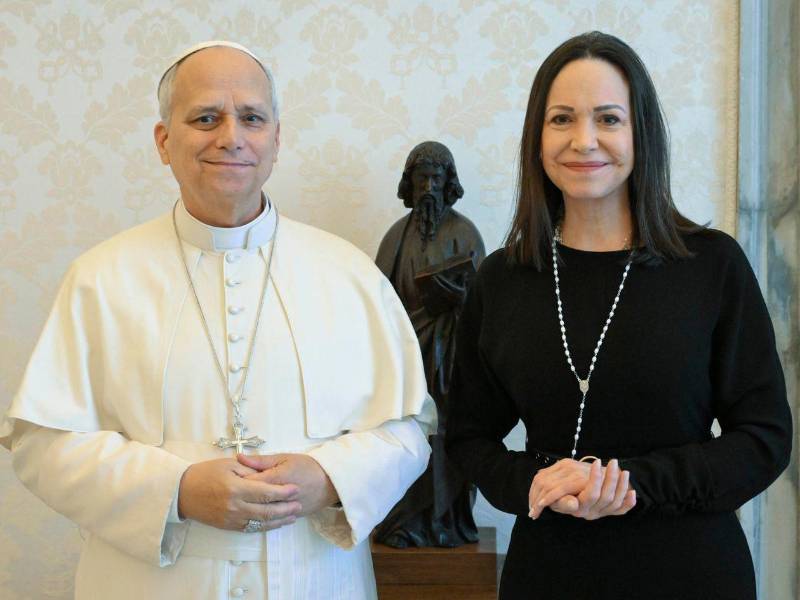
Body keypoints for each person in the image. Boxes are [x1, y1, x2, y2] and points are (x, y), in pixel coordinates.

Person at [1, 41, 434, 600]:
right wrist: (176, 489)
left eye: (252, 118)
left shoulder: (348, 273)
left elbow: (408, 428)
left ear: (276, 139)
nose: (231, 136)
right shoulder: (100, 278)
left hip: (313, 579)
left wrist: (330, 478)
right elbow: (42, 443)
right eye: (206, 117)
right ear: (163, 141)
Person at [446, 31, 792, 599]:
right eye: (562, 119)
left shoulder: (712, 264)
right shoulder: (503, 279)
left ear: (641, 133)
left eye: (608, 119)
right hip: (549, 574)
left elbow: (764, 438)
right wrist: (537, 482)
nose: (584, 141)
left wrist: (629, 483)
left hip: (691, 573)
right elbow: (467, 437)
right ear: (537, 137)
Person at [373, 141, 484, 548]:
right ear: (410, 182)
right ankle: (404, 523)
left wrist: (457, 299)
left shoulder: (465, 233)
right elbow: (377, 300)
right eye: (422, 179)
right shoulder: (396, 236)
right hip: (405, 357)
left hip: (452, 359)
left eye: (436, 179)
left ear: (448, 182)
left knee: (448, 438)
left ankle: (447, 521)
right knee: (406, 435)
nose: (429, 188)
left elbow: (484, 303)